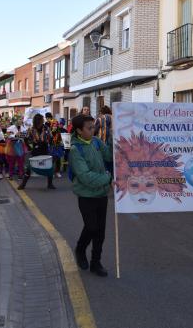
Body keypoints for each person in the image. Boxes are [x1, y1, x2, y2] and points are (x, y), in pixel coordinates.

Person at [69, 114, 113, 277]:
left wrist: (113, 138)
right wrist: (108, 178)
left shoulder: (96, 142)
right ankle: (80, 249)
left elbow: (109, 155)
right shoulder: (75, 150)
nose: (93, 130)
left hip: (101, 194)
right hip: (86, 195)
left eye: (93, 126)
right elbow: (85, 177)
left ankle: (96, 262)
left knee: (100, 231)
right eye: (89, 128)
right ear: (79, 131)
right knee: (91, 227)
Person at [18, 113, 55, 190]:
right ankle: (23, 184)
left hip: (44, 149)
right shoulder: (31, 129)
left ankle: (50, 184)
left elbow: (51, 138)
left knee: (49, 166)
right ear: (37, 121)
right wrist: (29, 147)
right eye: (41, 120)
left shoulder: (46, 128)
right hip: (35, 149)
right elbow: (26, 139)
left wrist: (51, 147)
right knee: (29, 167)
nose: (42, 121)